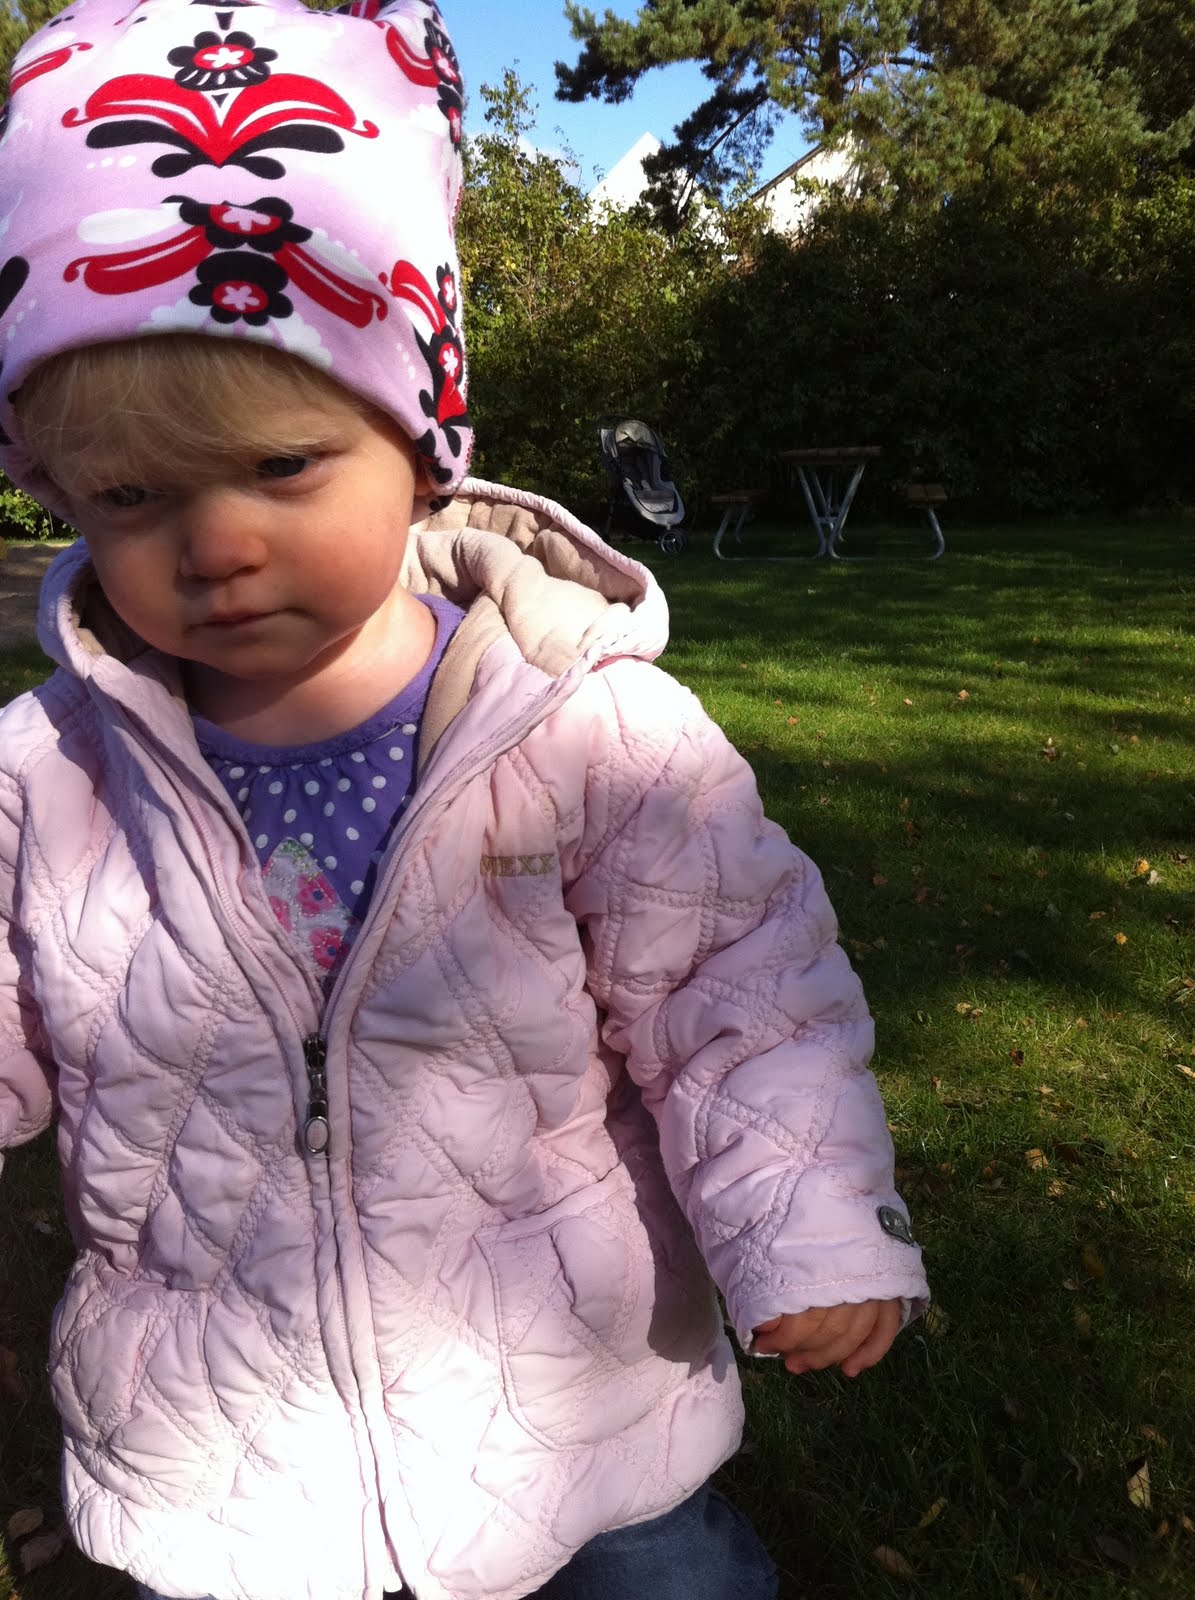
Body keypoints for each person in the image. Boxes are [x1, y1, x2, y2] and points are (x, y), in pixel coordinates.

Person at [0, 1, 930, 1597]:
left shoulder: (575, 721)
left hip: (576, 1420)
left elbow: (739, 992)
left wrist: (817, 1223)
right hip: (225, 1453)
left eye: (283, 467)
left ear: (422, 443)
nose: (214, 545)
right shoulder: (51, 774)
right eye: (133, 496)